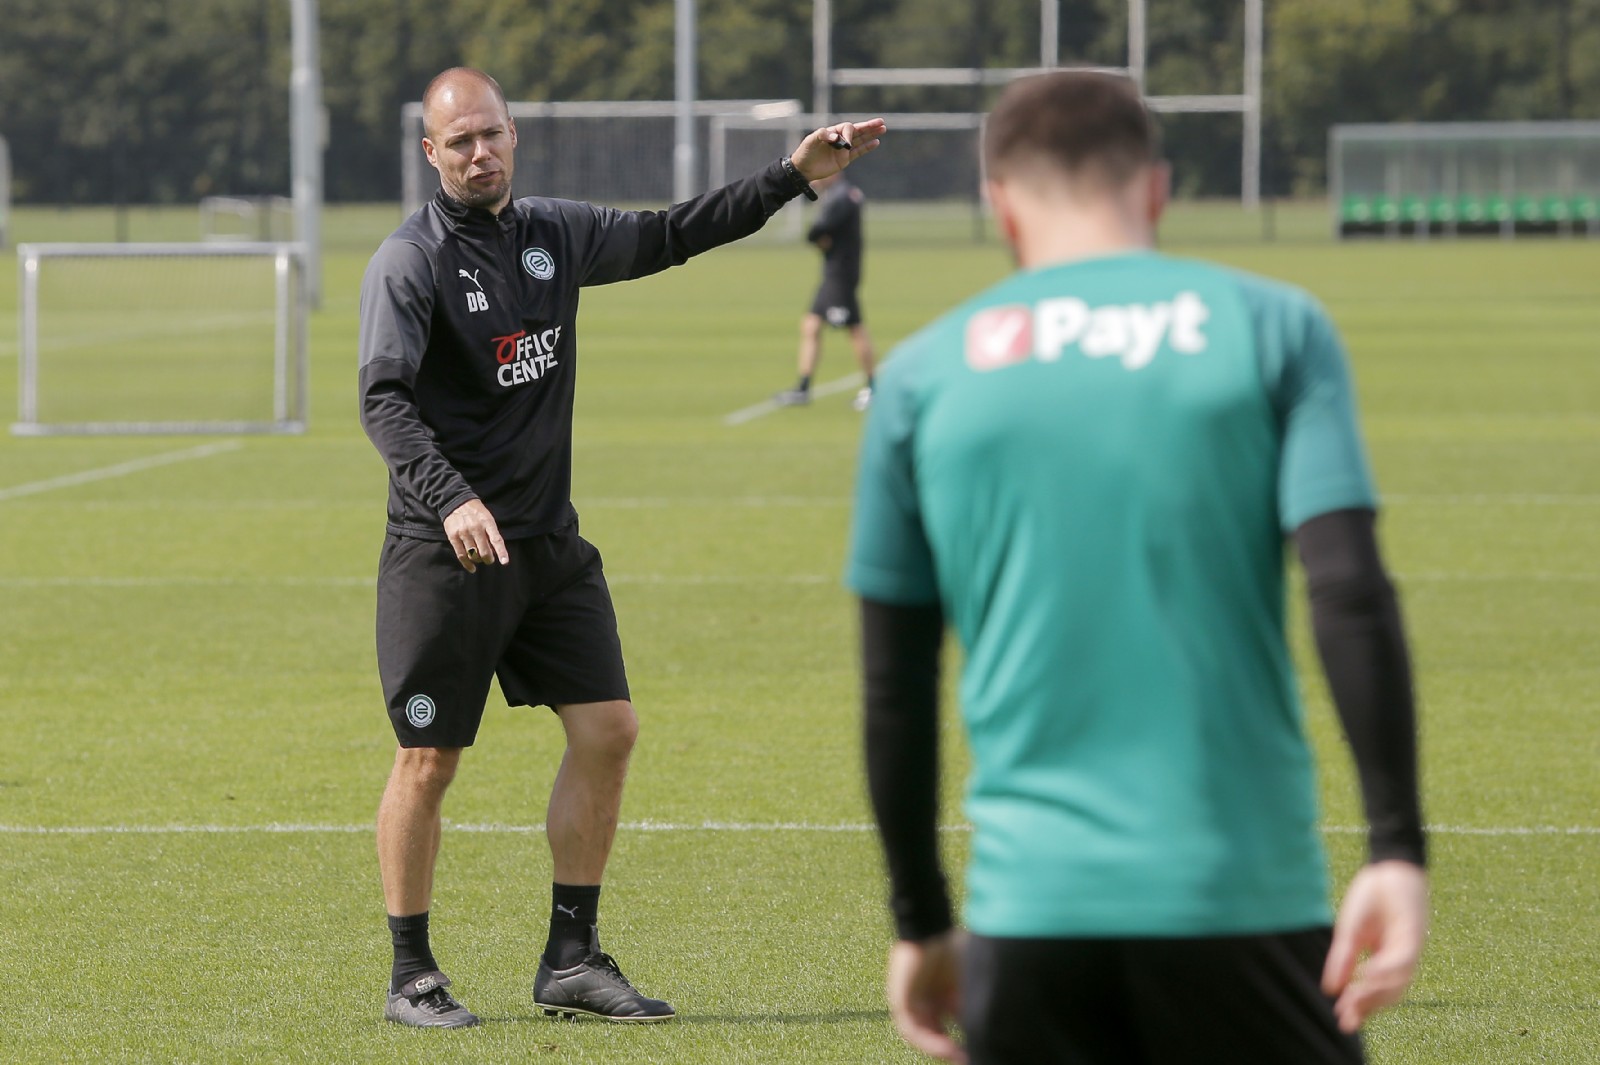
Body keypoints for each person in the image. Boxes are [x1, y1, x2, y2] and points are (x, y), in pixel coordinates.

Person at [845, 71, 1427, 1064]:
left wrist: (919, 917)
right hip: (1243, 901)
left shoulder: (920, 377)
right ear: (1156, 189)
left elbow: (894, 685)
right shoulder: (1272, 326)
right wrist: (1396, 849)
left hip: (1030, 921)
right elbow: (1348, 590)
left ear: (1000, 206)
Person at [359, 66, 884, 1029]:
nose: (480, 153)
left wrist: (791, 175)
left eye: (492, 134)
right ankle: (410, 974)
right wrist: (451, 500)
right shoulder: (411, 260)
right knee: (427, 760)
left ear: (513, 134)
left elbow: (674, 233)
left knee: (609, 730)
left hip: (549, 548)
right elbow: (384, 401)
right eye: (459, 142)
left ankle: (570, 957)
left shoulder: (554, 232)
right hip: (446, 556)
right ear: (430, 153)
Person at [774, 171, 877, 411]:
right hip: (834, 274)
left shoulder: (841, 197)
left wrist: (819, 237)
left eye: (820, 174)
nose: (814, 179)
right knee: (811, 325)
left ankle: (874, 388)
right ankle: (803, 388)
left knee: (854, 329)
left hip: (840, 275)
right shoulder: (843, 195)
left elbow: (816, 231)